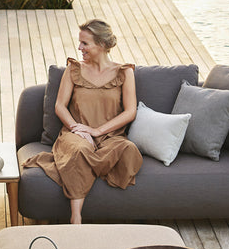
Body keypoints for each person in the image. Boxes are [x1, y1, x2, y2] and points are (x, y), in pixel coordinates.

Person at [23, 19, 143, 223]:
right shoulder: (74, 69)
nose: (80, 47)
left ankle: (78, 167)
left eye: (85, 43)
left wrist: (97, 131)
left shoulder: (124, 72)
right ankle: (76, 217)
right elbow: (60, 106)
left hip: (110, 137)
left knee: (129, 150)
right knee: (80, 150)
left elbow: (130, 112)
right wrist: (77, 130)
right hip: (75, 134)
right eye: (80, 43)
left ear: (102, 45)